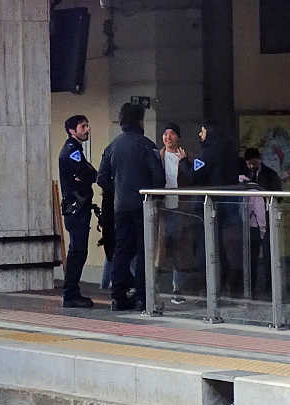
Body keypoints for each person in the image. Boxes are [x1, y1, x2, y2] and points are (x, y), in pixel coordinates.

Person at [97, 102, 164, 311]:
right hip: (143, 205)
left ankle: (118, 296)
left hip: (120, 207)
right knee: (144, 251)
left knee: (121, 251)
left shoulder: (112, 146)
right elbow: (159, 178)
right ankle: (143, 296)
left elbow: (101, 178)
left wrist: (117, 189)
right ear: (140, 120)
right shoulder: (146, 145)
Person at [192, 120, 241, 295]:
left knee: (207, 247)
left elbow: (195, 175)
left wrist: (184, 162)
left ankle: (209, 288)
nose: (200, 135)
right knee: (225, 246)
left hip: (211, 205)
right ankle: (229, 283)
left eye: (202, 131)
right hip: (229, 205)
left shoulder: (207, 153)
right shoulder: (230, 152)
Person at [58, 114, 98, 308]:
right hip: (76, 209)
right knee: (77, 252)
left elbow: (88, 174)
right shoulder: (72, 150)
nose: (87, 129)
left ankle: (72, 291)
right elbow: (88, 173)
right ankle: (71, 293)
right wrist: (87, 174)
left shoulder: (76, 149)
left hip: (78, 208)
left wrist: (87, 175)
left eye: (87, 126)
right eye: (83, 127)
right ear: (72, 131)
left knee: (79, 251)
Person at [158, 123, 192, 303]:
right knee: (161, 249)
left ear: (178, 137)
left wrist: (185, 161)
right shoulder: (158, 156)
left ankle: (177, 289)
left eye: (171, 134)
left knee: (180, 249)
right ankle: (159, 287)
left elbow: (193, 179)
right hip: (162, 208)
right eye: (165, 134)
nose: (168, 137)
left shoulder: (185, 156)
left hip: (181, 209)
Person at [242, 146, 281, 297]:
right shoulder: (245, 175)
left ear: (259, 160)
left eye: (254, 163)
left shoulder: (270, 174)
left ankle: (270, 288)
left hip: (267, 218)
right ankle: (250, 287)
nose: (251, 166)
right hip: (250, 222)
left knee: (268, 255)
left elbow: (278, 195)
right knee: (251, 255)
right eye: (249, 164)